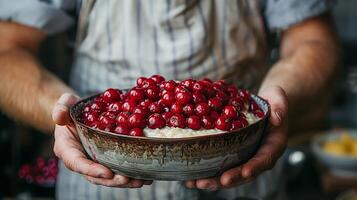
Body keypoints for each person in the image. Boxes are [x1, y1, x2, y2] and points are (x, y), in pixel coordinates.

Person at [0, 0, 339, 199]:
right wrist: (63, 115)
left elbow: (313, 39)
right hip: (101, 177)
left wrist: (279, 98)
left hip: (244, 162)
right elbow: (6, 51)